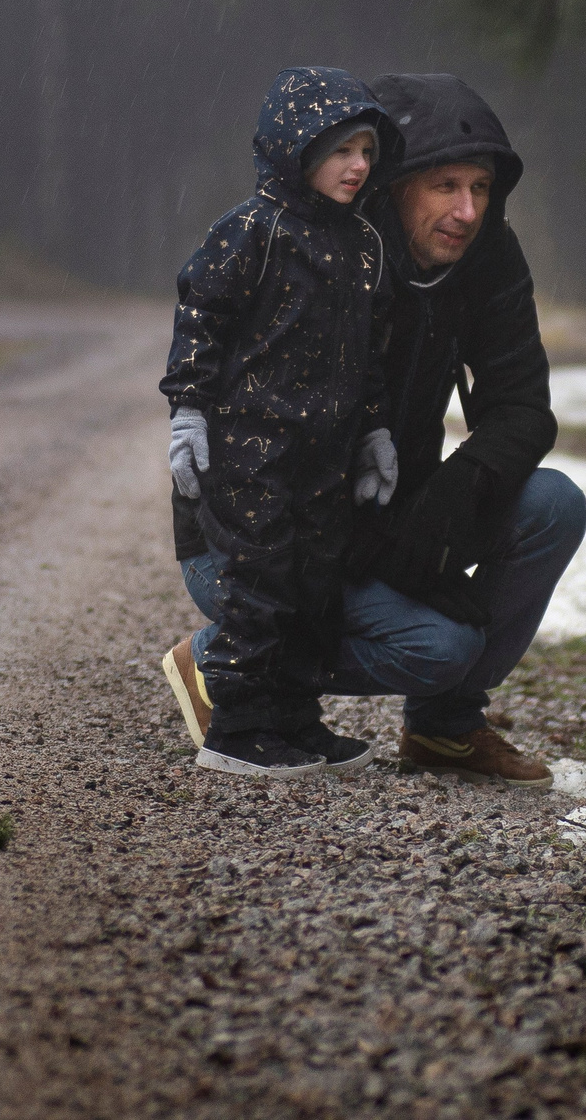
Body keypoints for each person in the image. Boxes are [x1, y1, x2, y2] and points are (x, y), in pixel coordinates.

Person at [161, 72, 584, 787]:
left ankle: (445, 730)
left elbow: (523, 406)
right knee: (440, 647)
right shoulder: (326, 250)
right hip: (260, 535)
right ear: (396, 184)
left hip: (381, 508)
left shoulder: (488, 259)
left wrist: (455, 498)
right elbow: (276, 433)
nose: (466, 210)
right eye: (445, 186)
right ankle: (228, 665)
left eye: (480, 188)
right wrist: (396, 551)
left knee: (553, 504)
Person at [158, 66, 404, 781]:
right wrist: (189, 411)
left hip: (324, 456)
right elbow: (200, 318)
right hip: (250, 451)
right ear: (294, 148)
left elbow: (369, 353)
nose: (358, 166)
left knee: (314, 587)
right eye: (340, 150)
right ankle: (236, 726)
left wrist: (375, 431)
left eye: (366, 150)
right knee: (261, 585)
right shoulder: (252, 231)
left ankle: (295, 719)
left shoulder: (363, 246)